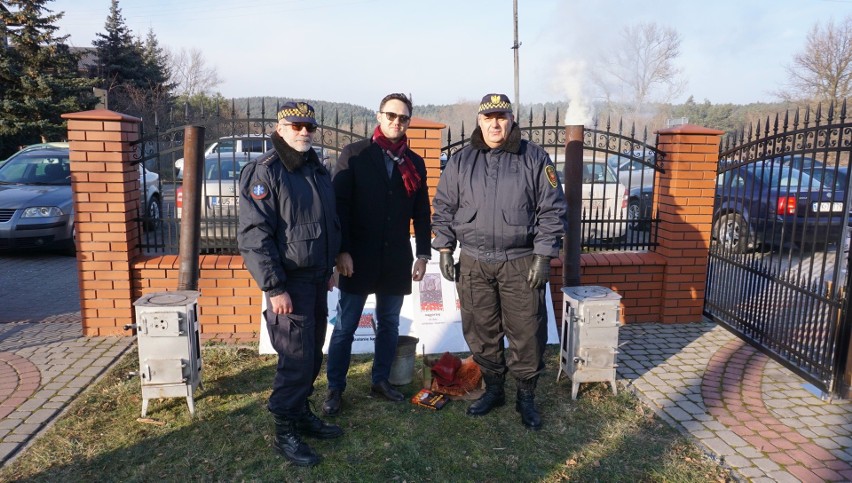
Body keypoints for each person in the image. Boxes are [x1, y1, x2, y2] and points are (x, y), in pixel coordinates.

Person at [431, 93, 568, 430]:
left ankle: (525, 397)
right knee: (481, 330)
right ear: (479, 121)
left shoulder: (534, 157)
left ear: (511, 119)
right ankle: (494, 390)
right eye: (488, 117)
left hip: (519, 262)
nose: (495, 124)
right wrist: (445, 249)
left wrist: (542, 255)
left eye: (501, 117)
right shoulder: (462, 160)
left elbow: (552, 210)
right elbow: (444, 207)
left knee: (526, 332)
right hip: (475, 262)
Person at [237, 101, 342, 467]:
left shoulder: (317, 168)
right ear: (280, 128)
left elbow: (328, 223)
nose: (303, 132)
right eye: (295, 125)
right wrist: (274, 287)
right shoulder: (265, 171)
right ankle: (285, 430)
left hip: (316, 278)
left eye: (309, 126)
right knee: (295, 359)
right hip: (289, 284)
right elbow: (255, 237)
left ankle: (300, 412)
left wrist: (329, 266)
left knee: (313, 352)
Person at [323, 93, 432, 415]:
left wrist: (423, 254)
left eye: (403, 118)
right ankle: (335, 388)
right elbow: (338, 206)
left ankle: (380, 380)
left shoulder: (414, 163)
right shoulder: (355, 155)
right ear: (379, 117)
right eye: (391, 116)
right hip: (356, 257)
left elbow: (422, 212)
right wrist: (340, 251)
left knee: (388, 323)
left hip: (396, 257)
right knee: (345, 325)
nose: (396, 122)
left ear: (408, 121)